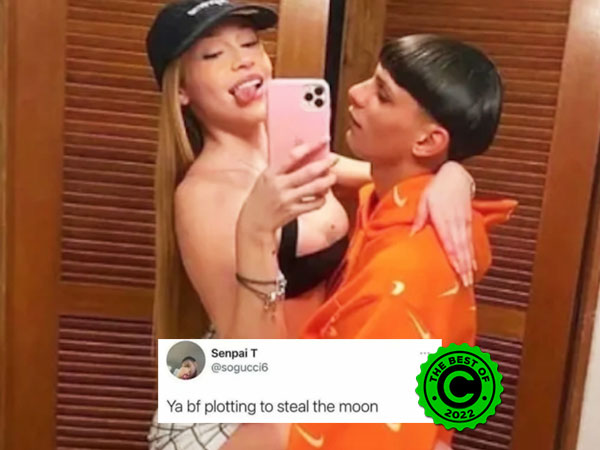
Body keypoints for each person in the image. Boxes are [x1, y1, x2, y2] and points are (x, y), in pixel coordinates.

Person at [145, 1, 480, 448]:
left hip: (311, 371)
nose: (243, 60)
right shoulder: (203, 195)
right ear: (182, 91)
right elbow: (249, 369)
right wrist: (256, 232)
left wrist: (455, 174)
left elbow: (396, 174)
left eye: (250, 43)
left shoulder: (296, 156)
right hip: (241, 396)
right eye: (213, 54)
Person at [235, 35, 517, 450]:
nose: (355, 92)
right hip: (277, 378)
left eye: (382, 94)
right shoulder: (393, 205)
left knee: (186, 377)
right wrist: (453, 171)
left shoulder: (403, 272)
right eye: (213, 55)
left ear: (427, 141)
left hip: (280, 399)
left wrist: (253, 232)